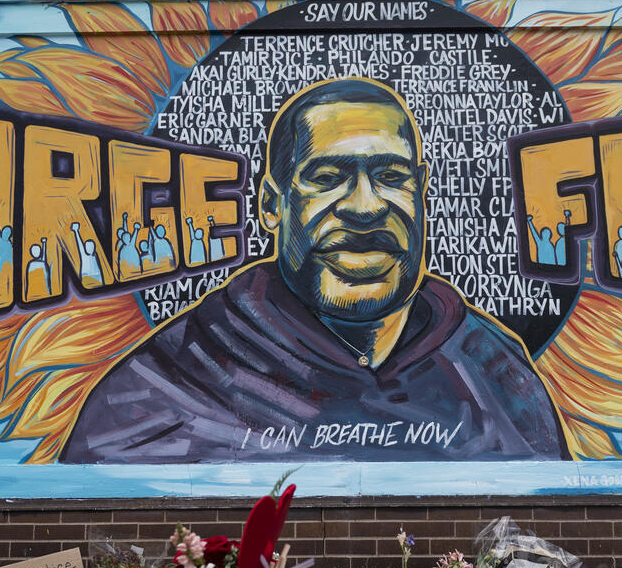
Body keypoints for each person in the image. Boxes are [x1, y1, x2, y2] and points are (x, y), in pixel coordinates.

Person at [62, 77, 567, 464]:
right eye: (327, 178)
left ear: (422, 190)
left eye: (391, 176)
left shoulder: (494, 373)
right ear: (270, 204)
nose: (366, 207)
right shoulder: (163, 388)